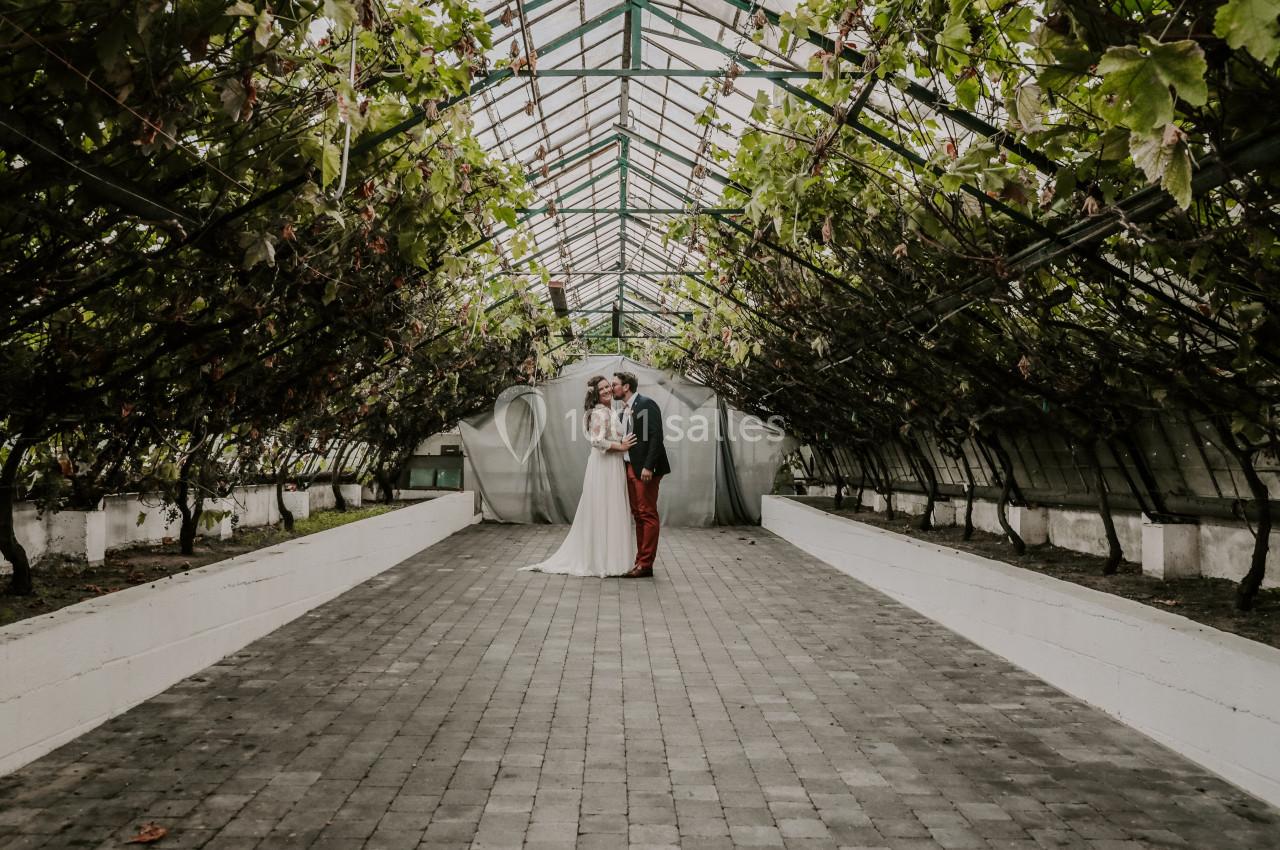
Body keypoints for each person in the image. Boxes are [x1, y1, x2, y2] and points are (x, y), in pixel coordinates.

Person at [520, 375, 637, 577]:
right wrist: (622, 446)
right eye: (602, 389)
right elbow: (597, 442)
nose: (608, 390)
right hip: (604, 466)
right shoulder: (599, 413)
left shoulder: (609, 410)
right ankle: (602, 561)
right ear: (595, 394)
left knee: (611, 508)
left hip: (613, 466)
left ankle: (611, 558)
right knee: (603, 509)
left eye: (608, 386)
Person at [612, 371, 670, 578]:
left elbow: (656, 437)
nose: (612, 388)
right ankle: (640, 560)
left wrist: (648, 466)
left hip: (645, 470)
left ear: (626, 387)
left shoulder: (647, 404)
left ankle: (646, 564)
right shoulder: (622, 411)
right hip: (630, 467)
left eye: (615, 384)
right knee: (638, 515)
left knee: (647, 513)